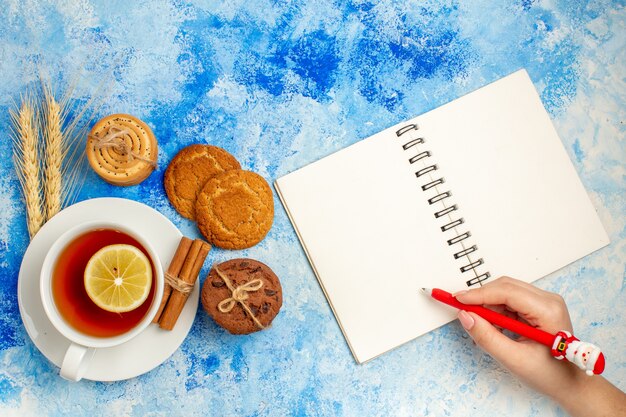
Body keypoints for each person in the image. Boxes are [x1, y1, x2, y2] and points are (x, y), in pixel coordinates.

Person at [453, 277, 626, 417]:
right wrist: (576, 385)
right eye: (588, 353)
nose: (585, 355)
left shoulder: (574, 357)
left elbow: (560, 356)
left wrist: (572, 385)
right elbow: (565, 342)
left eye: (587, 358)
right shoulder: (574, 347)